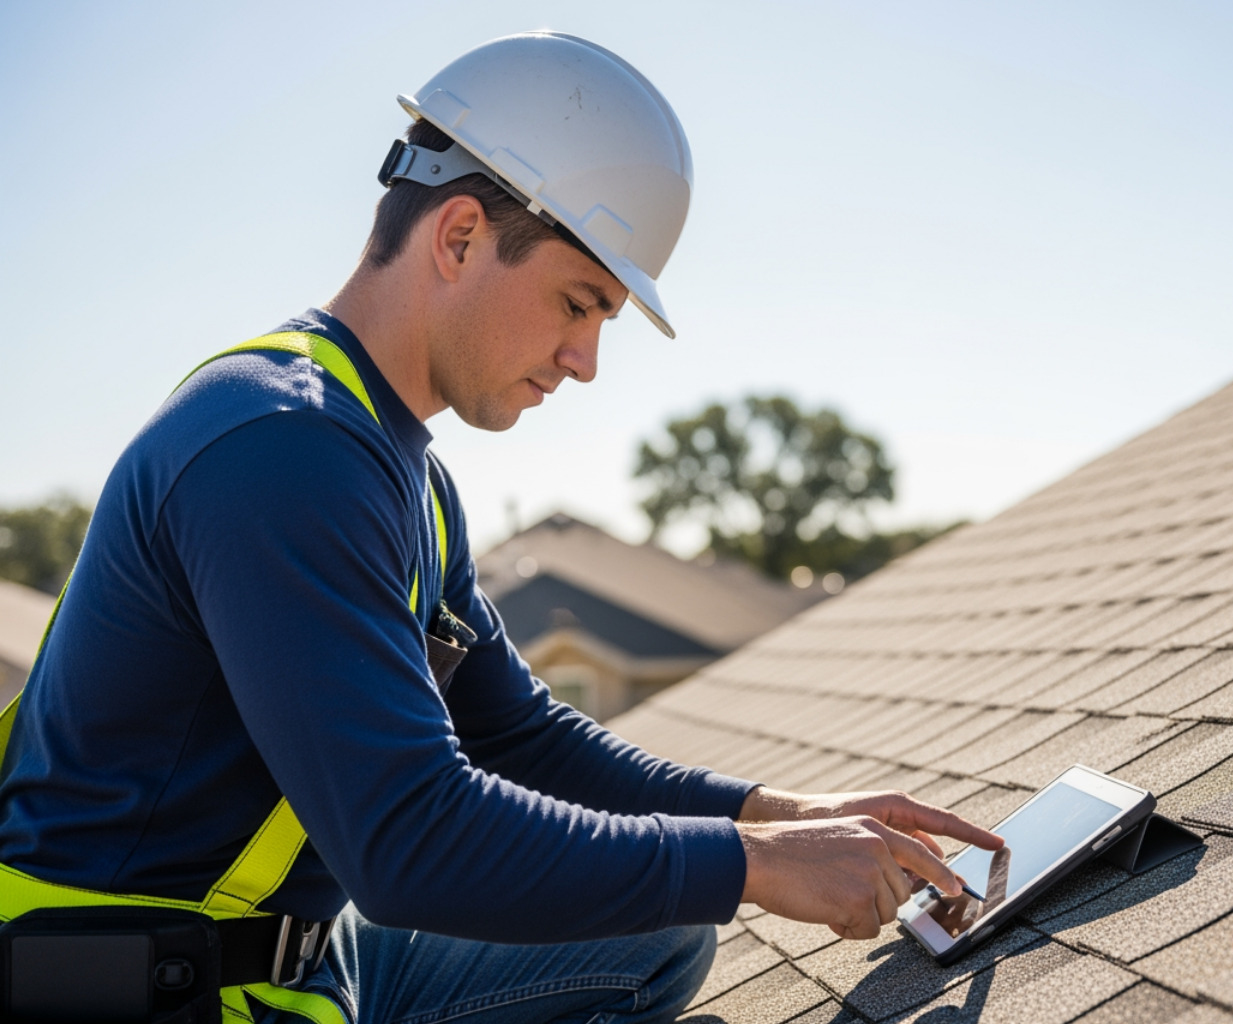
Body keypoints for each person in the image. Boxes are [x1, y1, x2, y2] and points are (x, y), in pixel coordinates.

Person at [0, 32, 1001, 1024]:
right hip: (130, 977)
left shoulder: (405, 473)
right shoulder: (280, 448)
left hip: (292, 953)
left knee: (657, 926)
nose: (585, 361)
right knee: (686, 889)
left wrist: (778, 816)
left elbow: (520, 735)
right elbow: (408, 844)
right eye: (579, 303)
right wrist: (753, 866)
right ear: (460, 236)